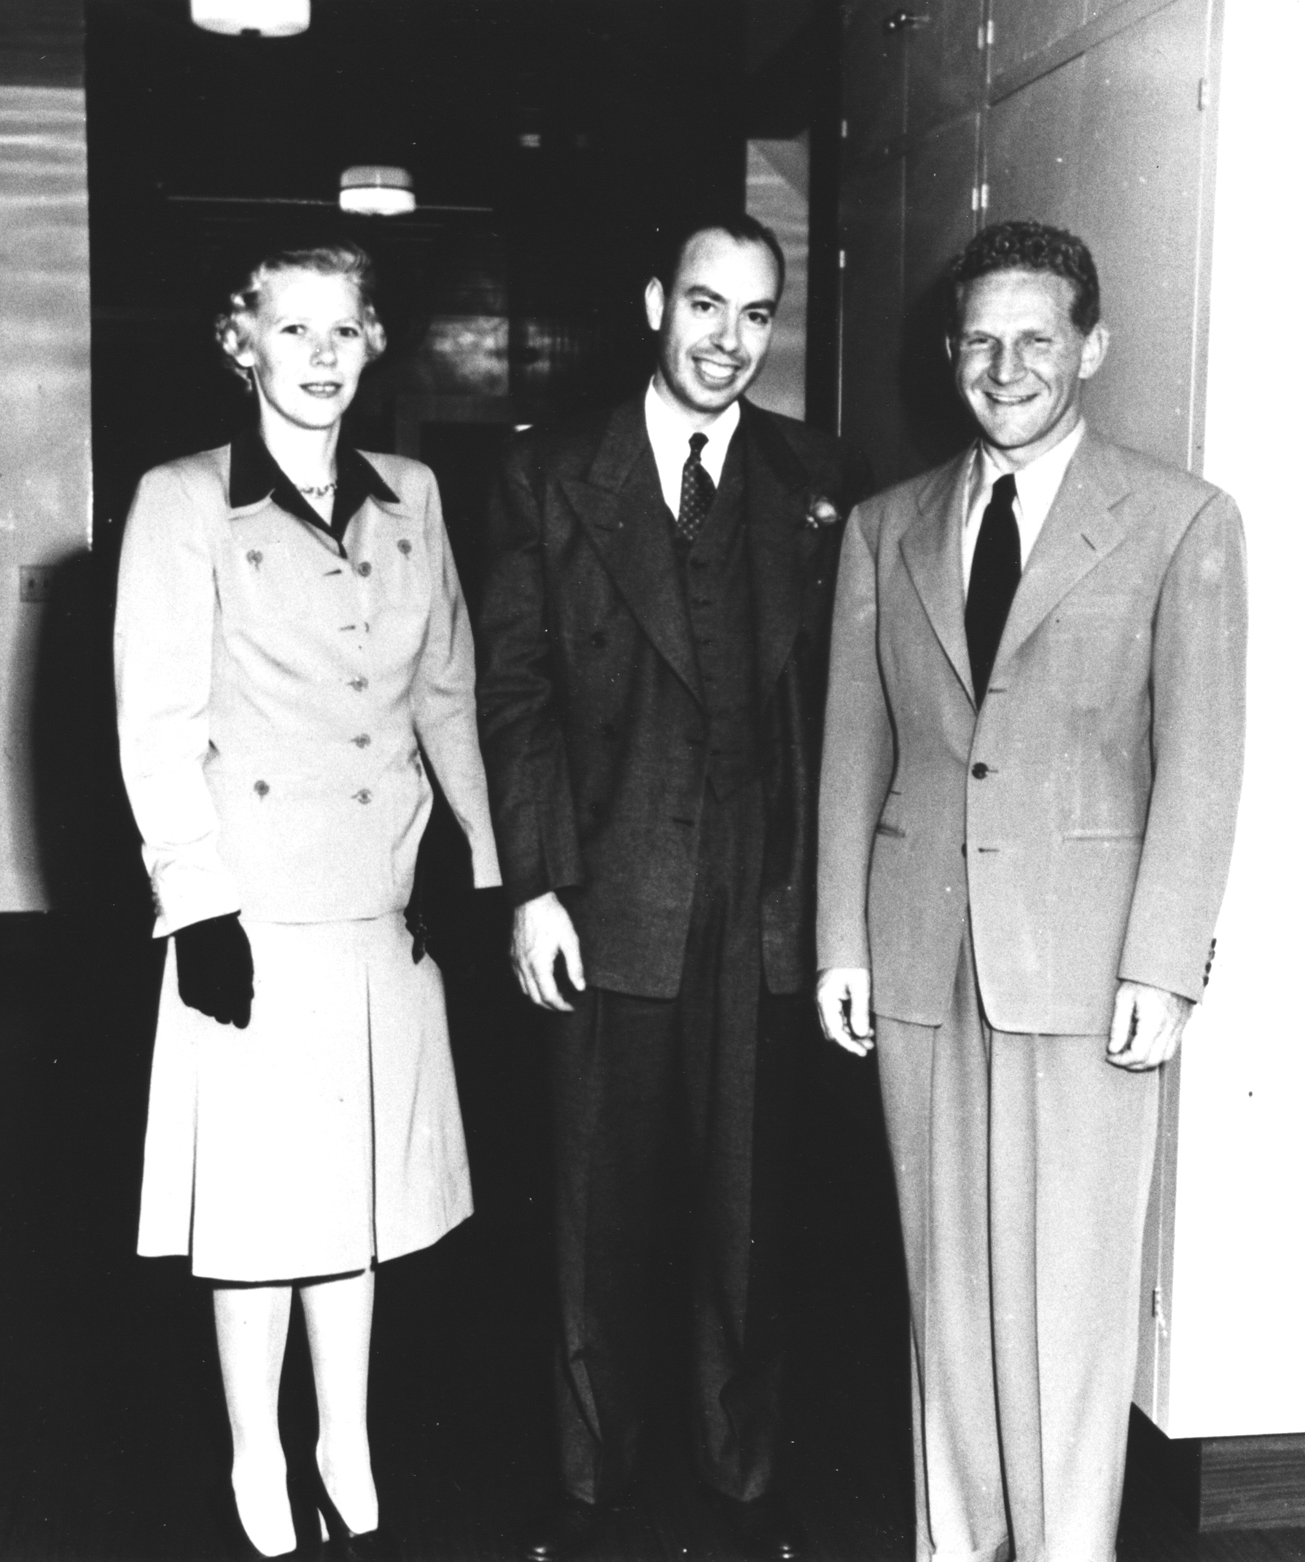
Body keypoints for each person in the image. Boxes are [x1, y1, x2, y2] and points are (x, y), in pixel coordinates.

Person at [815, 219, 1247, 1562]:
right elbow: (852, 746)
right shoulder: (886, 529)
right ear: (952, 353)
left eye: (1037, 338)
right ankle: (956, 1542)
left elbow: (1205, 761)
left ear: (1092, 348)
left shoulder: (1184, 521)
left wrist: (1165, 965)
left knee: (1072, 1291)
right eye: (982, 340)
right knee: (945, 1281)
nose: (1007, 367)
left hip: (1089, 960)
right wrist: (842, 939)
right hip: (921, 952)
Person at [475, 216, 868, 1562]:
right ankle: (594, 1485)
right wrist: (536, 885)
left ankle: (739, 1475)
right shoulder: (547, 475)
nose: (727, 342)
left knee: (747, 1217)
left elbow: (832, 714)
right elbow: (514, 695)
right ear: (656, 302)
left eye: (756, 316)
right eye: (705, 306)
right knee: (596, 1214)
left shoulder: (813, 479)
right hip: (605, 900)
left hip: (756, 904)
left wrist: (824, 915)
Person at [114, 241, 500, 1558]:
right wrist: (197, 903)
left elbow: (445, 691)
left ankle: (346, 1433)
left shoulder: (417, 497)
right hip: (254, 916)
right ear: (246, 343)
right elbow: (156, 724)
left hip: (379, 904)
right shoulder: (182, 501)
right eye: (295, 332)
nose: (323, 356)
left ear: (372, 343)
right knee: (261, 1210)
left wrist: (477, 865)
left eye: (345, 331)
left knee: (359, 1198)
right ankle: (254, 1450)